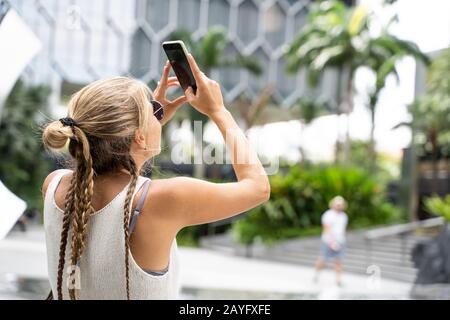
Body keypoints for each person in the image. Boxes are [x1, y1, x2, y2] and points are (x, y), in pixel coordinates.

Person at [40, 53, 270, 300]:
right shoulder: (164, 200)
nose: (158, 115)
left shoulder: (54, 185)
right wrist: (219, 111)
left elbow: (118, 183)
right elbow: (258, 188)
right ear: (138, 136)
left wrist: (146, 126)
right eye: (153, 112)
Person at [313, 196, 348, 287]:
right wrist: (332, 242)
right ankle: (316, 274)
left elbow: (342, 230)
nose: (339, 206)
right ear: (333, 204)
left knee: (339, 261)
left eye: (341, 205)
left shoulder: (344, 216)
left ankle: (338, 280)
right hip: (328, 241)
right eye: (337, 204)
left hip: (340, 241)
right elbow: (327, 229)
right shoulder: (328, 215)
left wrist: (340, 241)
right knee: (323, 259)